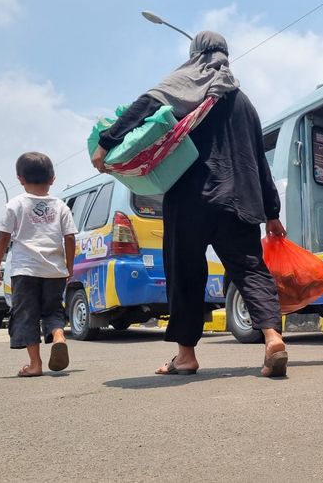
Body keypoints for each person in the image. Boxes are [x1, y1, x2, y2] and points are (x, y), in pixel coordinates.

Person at [91, 31, 289, 377]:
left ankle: (186, 356)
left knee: (185, 273)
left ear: (195, 54)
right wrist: (272, 213)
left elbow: (146, 106)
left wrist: (107, 143)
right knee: (249, 270)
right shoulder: (244, 103)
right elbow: (259, 161)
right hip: (240, 200)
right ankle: (273, 337)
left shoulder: (186, 85)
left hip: (190, 197)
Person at [0, 152, 77, 377]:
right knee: (53, 310)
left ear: (20, 178)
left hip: (25, 270)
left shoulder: (15, 204)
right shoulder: (60, 206)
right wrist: (69, 265)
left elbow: (3, 238)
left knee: (26, 315)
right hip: (54, 271)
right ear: (53, 178)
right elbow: (70, 238)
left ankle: (35, 364)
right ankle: (59, 336)